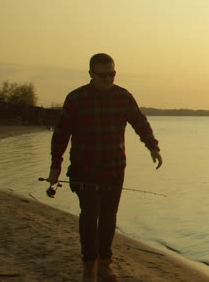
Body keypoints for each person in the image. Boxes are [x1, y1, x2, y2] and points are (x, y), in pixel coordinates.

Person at [48, 53, 163, 281]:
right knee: (90, 217)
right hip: (84, 170)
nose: (108, 78)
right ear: (91, 74)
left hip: (114, 169)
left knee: (109, 217)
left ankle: (105, 263)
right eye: (103, 75)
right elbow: (61, 134)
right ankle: (88, 266)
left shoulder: (123, 97)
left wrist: (153, 147)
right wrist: (55, 167)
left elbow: (139, 122)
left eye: (112, 74)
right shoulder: (76, 98)